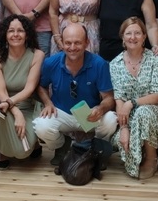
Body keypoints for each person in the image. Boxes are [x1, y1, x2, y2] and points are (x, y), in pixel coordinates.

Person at [34, 23, 117, 165]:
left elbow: (109, 98)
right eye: (68, 43)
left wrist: (100, 109)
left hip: (88, 114)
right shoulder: (50, 63)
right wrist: (48, 103)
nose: (72, 47)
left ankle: (97, 149)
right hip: (61, 113)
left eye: (77, 42)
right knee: (41, 125)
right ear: (62, 43)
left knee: (110, 120)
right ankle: (61, 146)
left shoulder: (99, 63)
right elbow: (41, 86)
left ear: (87, 43)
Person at [109, 18, 158, 179]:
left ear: (144, 36)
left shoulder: (155, 59)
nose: (133, 37)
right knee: (119, 139)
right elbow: (119, 99)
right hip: (129, 115)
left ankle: (152, 158)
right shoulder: (115, 64)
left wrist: (132, 103)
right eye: (128, 33)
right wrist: (124, 128)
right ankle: (140, 153)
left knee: (143, 113)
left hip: (157, 109)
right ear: (122, 37)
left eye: (137, 33)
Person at [0, 15, 46, 168]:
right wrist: (15, 112)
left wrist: (15, 107)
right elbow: (1, 92)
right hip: (5, 106)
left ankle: (33, 144)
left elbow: (29, 88)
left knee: (22, 153)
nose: (15, 34)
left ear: (27, 34)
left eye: (20, 31)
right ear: (5, 34)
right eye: (11, 31)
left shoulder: (37, 55)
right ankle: (3, 151)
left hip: (28, 106)